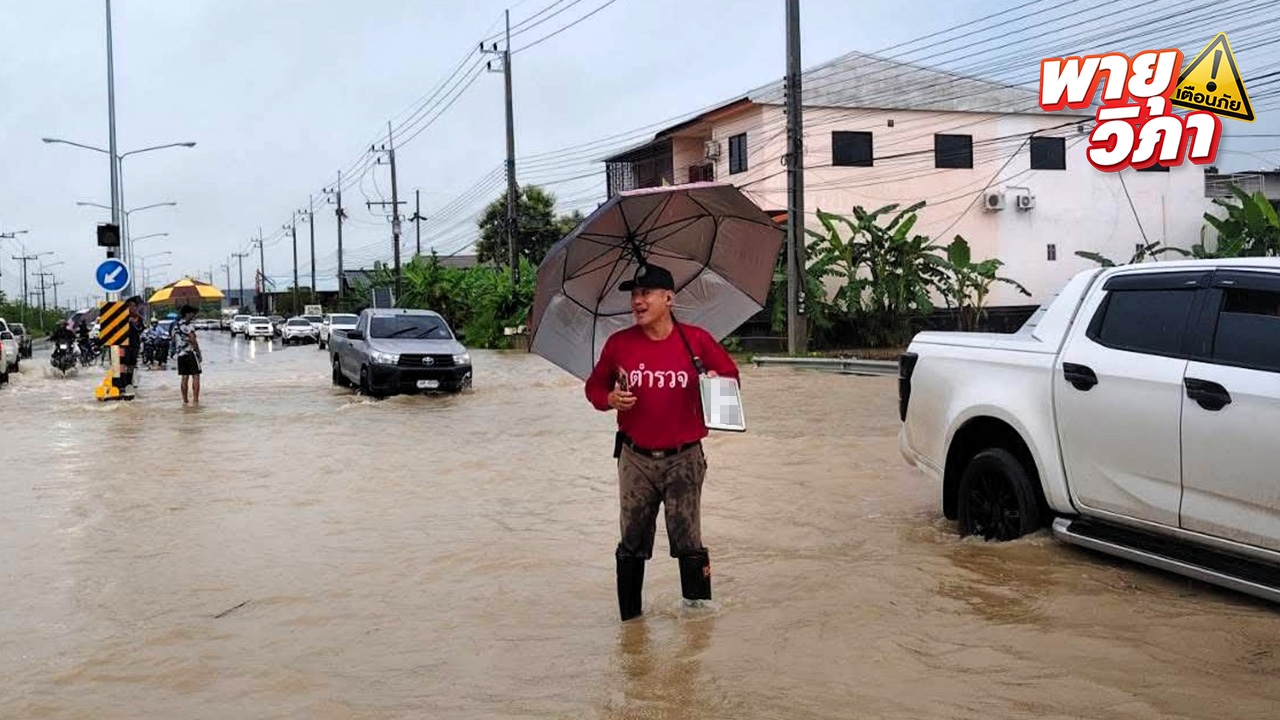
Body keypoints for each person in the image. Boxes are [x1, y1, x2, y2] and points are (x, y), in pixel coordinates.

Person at [584, 262, 740, 621]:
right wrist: (609, 399)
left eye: (645, 294)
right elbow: (594, 387)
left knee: (689, 543)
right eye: (634, 295)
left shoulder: (697, 341)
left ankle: (699, 622)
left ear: (668, 298)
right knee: (632, 544)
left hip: (684, 458)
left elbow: (732, 381)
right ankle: (631, 625)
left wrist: (714, 380)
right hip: (635, 457)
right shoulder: (619, 344)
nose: (637, 302)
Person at [173, 305, 203, 404]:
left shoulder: (175, 325)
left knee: (184, 377)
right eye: (192, 313)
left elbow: (173, 338)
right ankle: (195, 400)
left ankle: (185, 400)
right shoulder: (188, 325)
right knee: (196, 376)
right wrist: (198, 352)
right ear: (187, 314)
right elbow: (193, 340)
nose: (194, 315)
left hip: (180, 355)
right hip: (190, 353)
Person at [117, 296, 144, 391]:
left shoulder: (139, 318)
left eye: (134, 306)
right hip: (124, 345)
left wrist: (135, 322)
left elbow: (141, 329)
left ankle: (129, 382)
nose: (133, 308)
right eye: (130, 306)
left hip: (135, 344)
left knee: (132, 365)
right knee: (123, 364)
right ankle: (122, 384)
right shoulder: (123, 318)